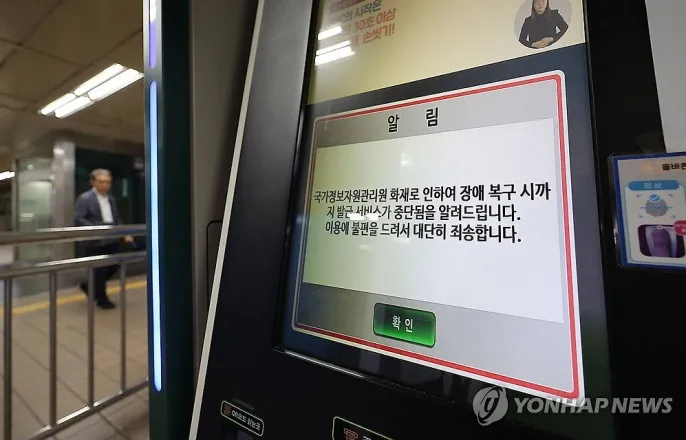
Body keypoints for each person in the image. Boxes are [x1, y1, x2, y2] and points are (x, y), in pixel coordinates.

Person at [75, 169, 133, 309]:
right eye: (101, 182)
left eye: (107, 182)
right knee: (99, 270)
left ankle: (89, 286)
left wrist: (124, 233)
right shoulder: (85, 198)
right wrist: (97, 229)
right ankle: (102, 299)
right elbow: (79, 219)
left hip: (111, 239)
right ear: (93, 182)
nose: (105, 185)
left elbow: (116, 218)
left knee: (115, 265)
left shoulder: (111, 199)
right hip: (95, 240)